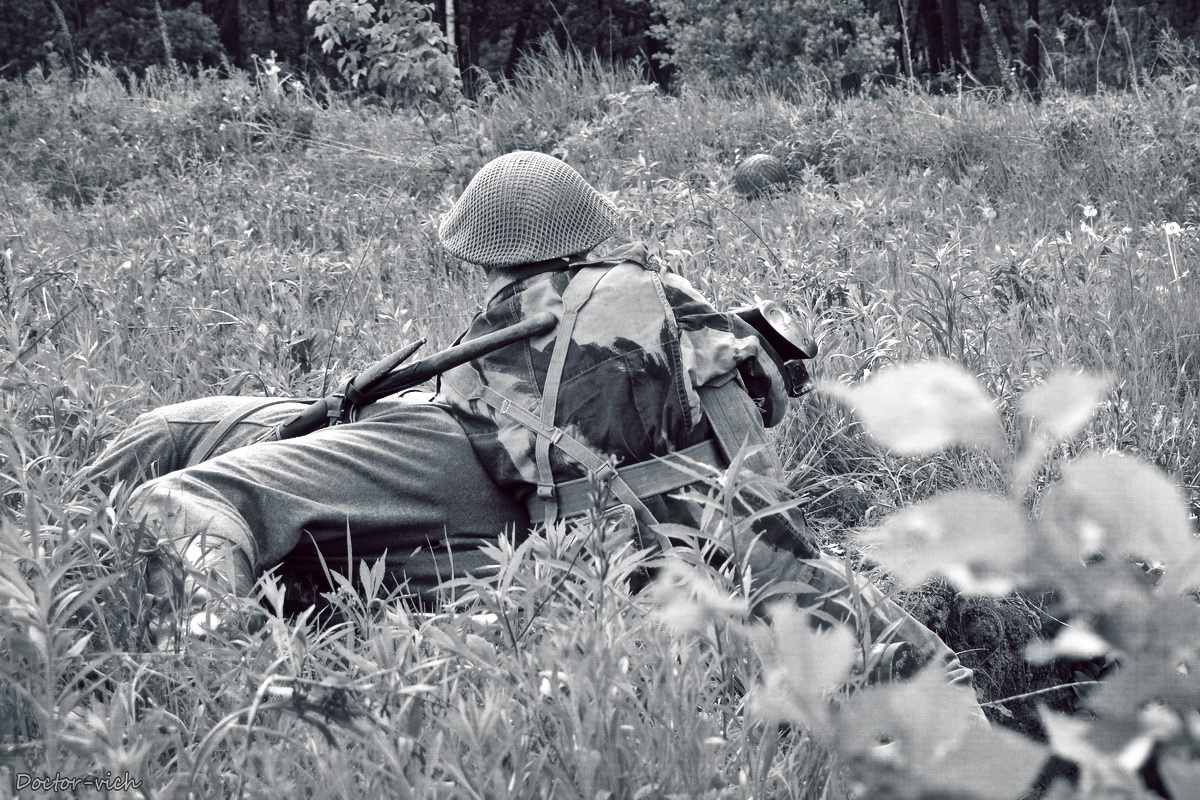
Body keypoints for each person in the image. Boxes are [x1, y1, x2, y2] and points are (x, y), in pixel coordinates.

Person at [433, 150, 977, 688]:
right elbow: (768, 394)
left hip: (601, 584)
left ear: (480, 255)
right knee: (934, 674)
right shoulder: (647, 291)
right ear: (579, 229)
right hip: (733, 538)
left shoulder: (460, 367)